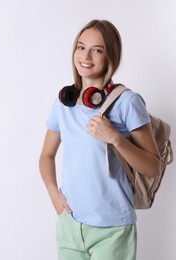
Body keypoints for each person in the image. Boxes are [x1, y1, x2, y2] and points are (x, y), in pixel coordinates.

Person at [38, 19, 161, 260]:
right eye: (81, 47)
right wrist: (54, 195)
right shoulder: (64, 103)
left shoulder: (127, 102)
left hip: (112, 230)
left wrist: (115, 138)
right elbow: (46, 155)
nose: (86, 56)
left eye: (97, 50)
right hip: (70, 226)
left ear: (110, 56)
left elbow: (153, 166)